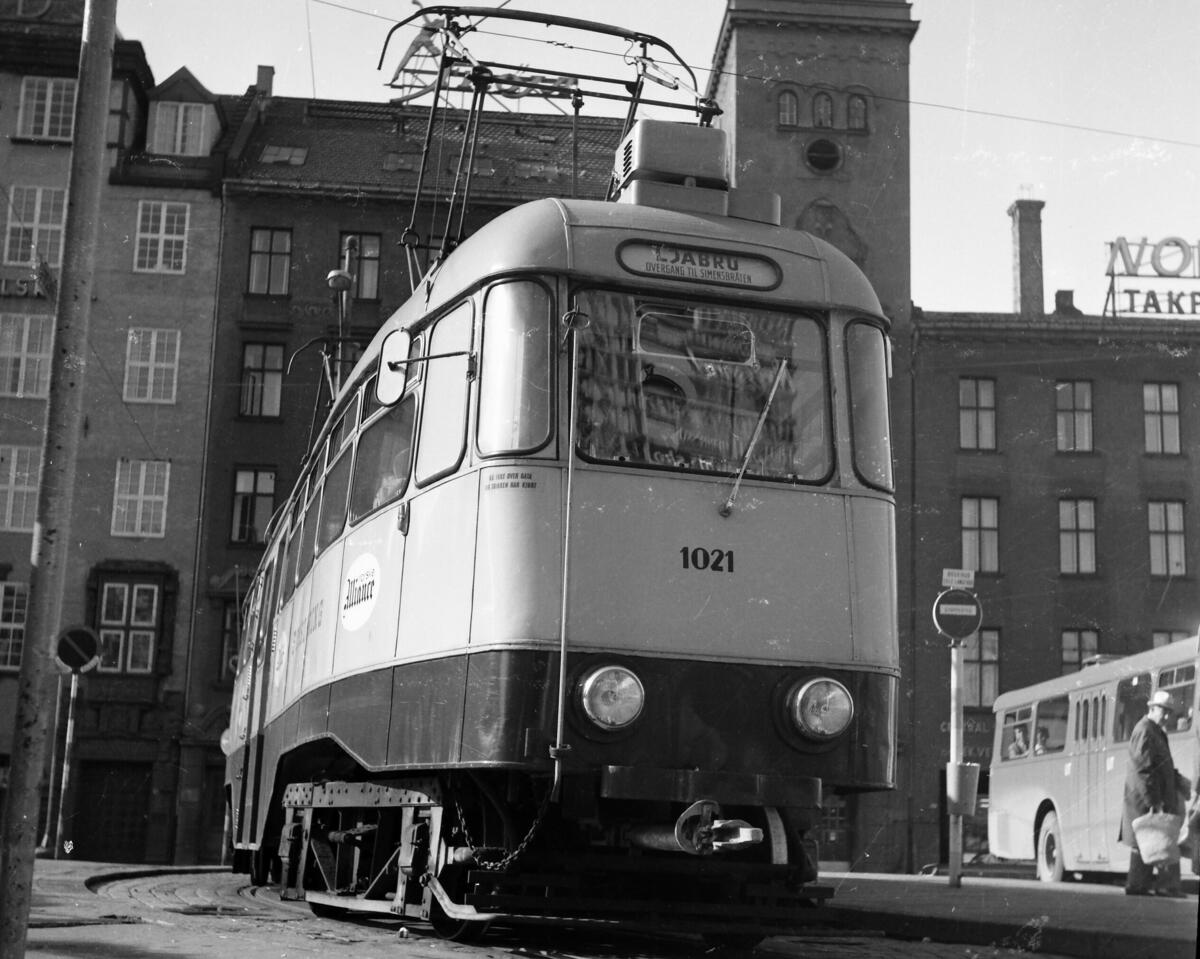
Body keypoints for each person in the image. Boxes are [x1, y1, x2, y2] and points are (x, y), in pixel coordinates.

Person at [1118, 690, 1189, 897]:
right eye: (1163, 711)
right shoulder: (1145, 730)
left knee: (1147, 842)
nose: (1167, 716)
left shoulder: (1155, 730)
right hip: (1146, 800)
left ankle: (1138, 885)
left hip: (1150, 799)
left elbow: (1161, 765)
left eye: (1169, 712)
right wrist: (1154, 802)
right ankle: (1165, 886)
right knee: (1159, 841)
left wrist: (1178, 780)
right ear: (1151, 709)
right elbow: (1143, 769)